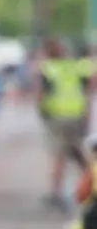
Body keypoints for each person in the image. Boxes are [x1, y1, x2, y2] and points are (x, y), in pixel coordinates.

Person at [38, 38, 91, 210]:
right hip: (76, 115)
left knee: (58, 156)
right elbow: (87, 88)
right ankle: (92, 183)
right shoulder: (74, 66)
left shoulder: (47, 68)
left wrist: (41, 110)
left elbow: (40, 92)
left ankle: (56, 194)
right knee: (78, 153)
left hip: (56, 116)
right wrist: (86, 114)